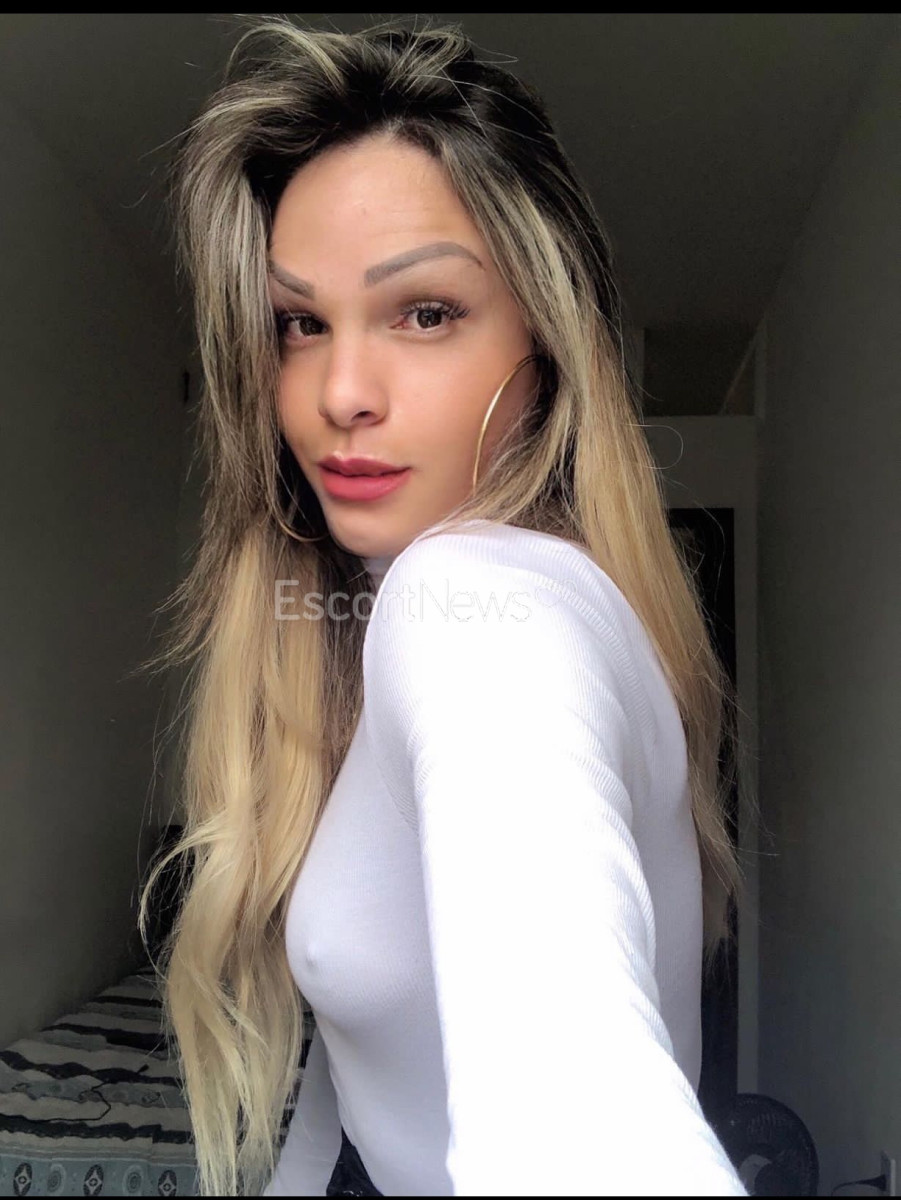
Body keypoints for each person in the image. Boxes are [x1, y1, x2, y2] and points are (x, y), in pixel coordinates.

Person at [137, 14, 750, 1197]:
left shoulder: (474, 598)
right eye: (299, 323)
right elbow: (354, 1075)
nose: (339, 393)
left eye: (424, 312)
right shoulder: (392, 634)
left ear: (547, 341)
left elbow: (581, 1125)